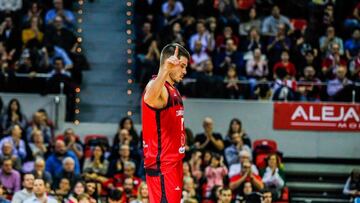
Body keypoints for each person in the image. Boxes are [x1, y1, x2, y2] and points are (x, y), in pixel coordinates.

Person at [141, 43, 190, 203]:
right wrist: (165, 70)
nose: (185, 71)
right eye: (181, 66)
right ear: (168, 63)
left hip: (173, 163)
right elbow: (148, 98)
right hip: (163, 166)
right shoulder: (157, 86)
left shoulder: (173, 89)